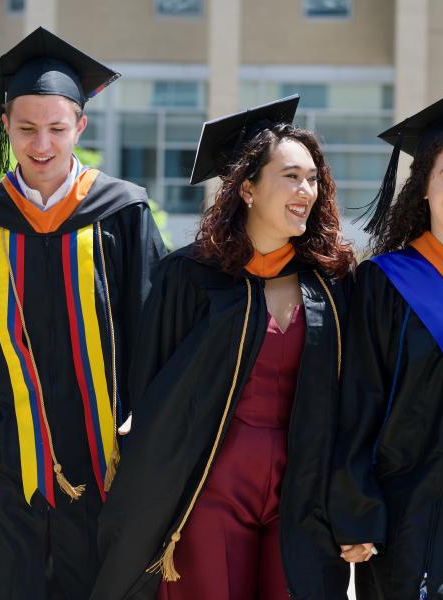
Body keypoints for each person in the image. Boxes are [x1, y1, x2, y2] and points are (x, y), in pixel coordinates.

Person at [92, 96, 354, 600]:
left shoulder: (332, 283)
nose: (306, 190)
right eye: (291, 176)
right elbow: (153, 394)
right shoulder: (188, 277)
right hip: (210, 487)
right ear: (248, 188)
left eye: (313, 179)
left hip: (303, 490)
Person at [0, 27, 166, 600]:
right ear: (5, 126)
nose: (41, 144)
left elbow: (155, 325)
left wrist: (148, 415)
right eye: (25, 129)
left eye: (56, 129)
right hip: (5, 459)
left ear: (80, 127)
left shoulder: (122, 211)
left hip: (106, 460)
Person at [328, 90, 443, 600]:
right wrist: (357, 508)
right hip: (409, 508)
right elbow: (355, 400)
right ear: (424, 190)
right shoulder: (383, 284)